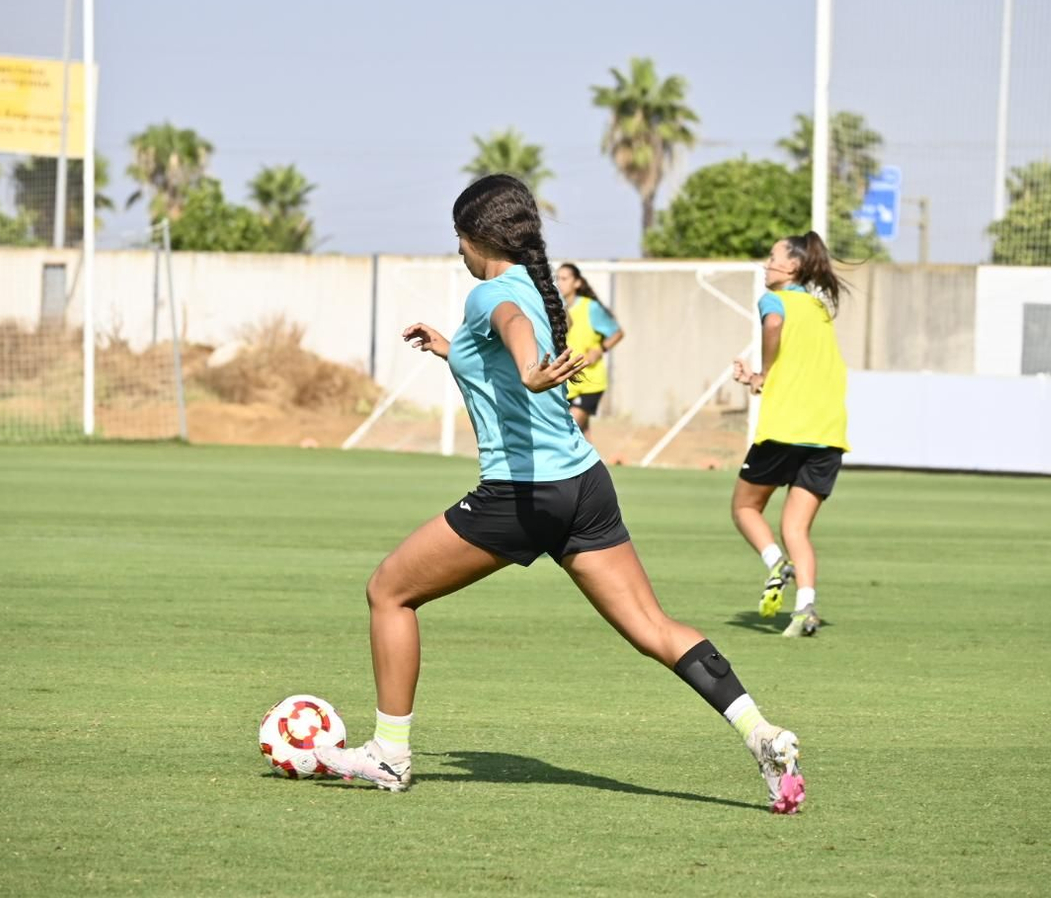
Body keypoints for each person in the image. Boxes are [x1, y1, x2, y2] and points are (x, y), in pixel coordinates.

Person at [315, 175, 805, 814]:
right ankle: (760, 733)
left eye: (458, 239)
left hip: (525, 495)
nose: (457, 252)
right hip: (585, 487)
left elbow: (510, 328)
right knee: (653, 626)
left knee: (389, 591)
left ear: (476, 237)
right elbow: (507, 347)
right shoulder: (535, 288)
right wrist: (450, 351)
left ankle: (389, 753)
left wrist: (523, 367)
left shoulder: (493, 294)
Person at [729, 232, 850, 638]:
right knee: (797, 527)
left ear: (792, 267)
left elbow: (775, 325)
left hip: (785, 429)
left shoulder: (773, 300)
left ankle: (775, 563)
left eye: (772, 257)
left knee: (745, 508)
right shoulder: (818, 307)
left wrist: (761, 372)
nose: (766, 264)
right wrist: (763, 378)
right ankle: (806, 608)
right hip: (828, 432)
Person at [554, 262, 625, 434]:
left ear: (577, 283)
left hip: (590, 382)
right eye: (557, 279)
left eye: (565, 278)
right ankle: (593, 462)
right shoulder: (557, 310)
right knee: (581, 436)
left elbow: (617, 333)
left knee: (569, 431)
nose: (560, 283)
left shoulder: (589, 307)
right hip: (568, 383)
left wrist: (600, 349)